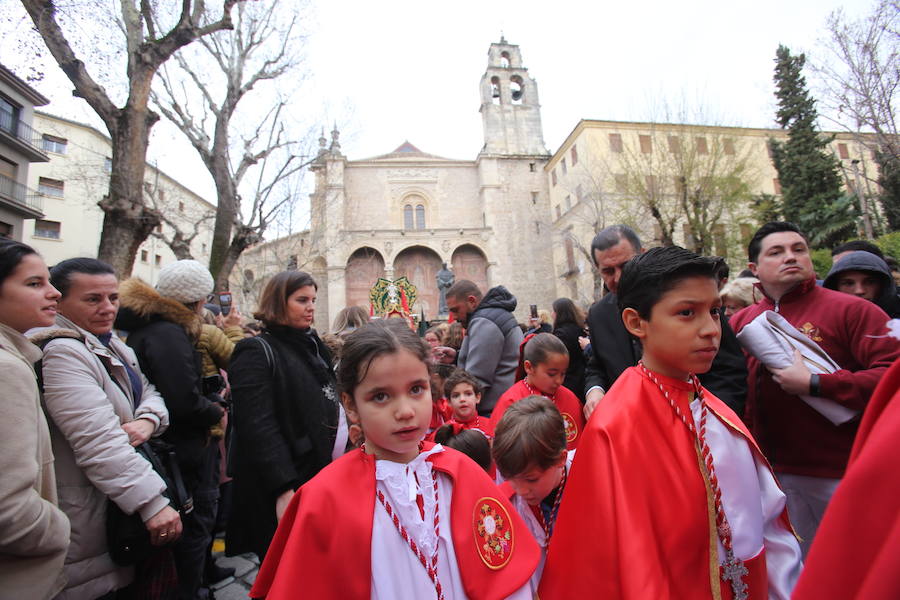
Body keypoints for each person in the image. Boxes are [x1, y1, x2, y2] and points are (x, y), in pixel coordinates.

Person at [540, 246, 803, 599]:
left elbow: (767, 519)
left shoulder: (716, 412)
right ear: (636, 323)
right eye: (686, 313)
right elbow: (609, 558)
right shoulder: (616, 427)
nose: (711, 330)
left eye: (714, 311)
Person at [250, 319, 539, 599]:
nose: (405, 411)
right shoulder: (323, 499)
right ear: (350, 405)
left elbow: (507, 579)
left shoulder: (462, 473)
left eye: (416, 389)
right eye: (380, 396)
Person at [730, 222, 899, 557]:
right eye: (776, 252)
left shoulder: (853, 310)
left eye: (798, 249)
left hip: (840, 470)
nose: (790, 257)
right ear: (755, 268)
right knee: (791, 572)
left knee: (851, 564)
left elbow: (892, 376)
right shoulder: (740, 322)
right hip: (768, 475)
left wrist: (817, 384)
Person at [31, 258, 179, 599]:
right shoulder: (63, 352)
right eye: (93, 299)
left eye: (113, 298)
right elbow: (98, 439)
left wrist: (147, 421)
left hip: (112, 500)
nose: (107, 307)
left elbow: (151, 393)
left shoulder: (112, 345)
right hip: (88, 507)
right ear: (60, 300)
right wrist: (150, 503)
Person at [115, 259, 227, 599]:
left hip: (172, 447)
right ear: (195, 301)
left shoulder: (151, 328)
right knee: (194, 529)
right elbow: (182, 400)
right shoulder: (168, 334)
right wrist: (214, 411)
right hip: (182, 452)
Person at [226, 270, 342, 560]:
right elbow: (257, 425)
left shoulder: (312, 344)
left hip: (319, 471)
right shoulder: (255, 350)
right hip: (285, 479)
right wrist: (283, 487)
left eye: (313, 299)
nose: (311, 307)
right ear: (279, 302)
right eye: (302, 299)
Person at [583, 224, 748, 418]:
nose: (619, 277)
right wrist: (594, 390)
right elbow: (598, 365)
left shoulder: (691, 299)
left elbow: (728, 373)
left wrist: (706, 423)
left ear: (642, 254)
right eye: (608, 271)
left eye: (625, 266)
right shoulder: (598, 314)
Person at [792, 354, 900, 599]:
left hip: (832, 467)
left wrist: (818, 383)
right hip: (783, 465)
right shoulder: (753, 317)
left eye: (715, 312)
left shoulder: (854, 313)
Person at [0, 239, 70, 599]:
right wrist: (59, 530)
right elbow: (8, 509)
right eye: (34, 283)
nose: (54, 293)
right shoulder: (7, 370)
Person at [493, 396, 573, 594]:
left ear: (560, 459)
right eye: (510, 478)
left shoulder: (588, 481)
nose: (520, 490)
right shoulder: (507, 503)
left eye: (531, 480)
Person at [491, 333, 585, 450]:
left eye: (563, 374)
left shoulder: (569, 398)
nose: (559, 381)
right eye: (552, 374)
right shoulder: (511, 401)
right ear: (529, 367)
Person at [445, 279, 524, 416]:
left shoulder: (485, 321)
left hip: (494, 412)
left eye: (456, 310)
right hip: (506, 407)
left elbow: (476, 378)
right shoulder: (493, 315)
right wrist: (456, 356)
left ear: (472, 301)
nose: (455, 317)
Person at [823, 250, 900, 318]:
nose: (859, 291)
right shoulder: (826, 325)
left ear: (883, 285)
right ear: (835, 287)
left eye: (870, 282)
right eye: (848, 283)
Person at [550, 297, 587, 402]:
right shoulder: (579, 329)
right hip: (581, 378)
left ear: (559, 313)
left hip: (568, 380)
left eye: (553, 311)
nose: (552, 314)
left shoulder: (561, 334)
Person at [440, 368, 494, 439]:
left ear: (478, 397)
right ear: (449, 402)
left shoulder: (492, 427)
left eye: (468, 394)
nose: (462, 399)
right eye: (456, 396)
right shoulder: (444, 432)